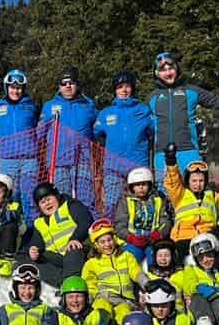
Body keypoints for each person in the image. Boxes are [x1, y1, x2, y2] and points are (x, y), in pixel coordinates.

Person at [146, 50, 219, 181]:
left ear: (177, 69)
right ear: (157, 73)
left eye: (171, 68)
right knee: (164, 196)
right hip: (161, 155)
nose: (168, 73)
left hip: (188, 152)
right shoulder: (152, 97)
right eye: (163, 70)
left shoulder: (191, 91)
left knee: (194, 195)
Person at [95, 71, 154, 209]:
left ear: (132, 88)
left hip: (137, 163)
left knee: (141, 202)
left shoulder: (143, 110)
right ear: (115, 90)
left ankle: (142, 230)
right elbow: (96, 134)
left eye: (127, 86)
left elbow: (153, 131)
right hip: (113, 166)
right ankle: (114, 230)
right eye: (120, 87)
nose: (124, 90)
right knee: (112, 203)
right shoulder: (106, 113)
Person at [38, 67, 98, 196]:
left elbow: (97, 131)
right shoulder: (49, 106)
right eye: (64, 84)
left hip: (82, 160)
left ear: (77, 84)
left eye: (71, 83)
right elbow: (39, 134)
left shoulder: (88, 105)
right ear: (59, 87)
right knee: (62, 198)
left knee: (85, 198)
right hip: (58, 162)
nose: (68, 86)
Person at [24, 181, 94, 287]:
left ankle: (71, 286)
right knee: (29, 259)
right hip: (58, 258)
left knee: (73, 249)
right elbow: (37, 242)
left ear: (57, 197)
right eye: (42, 202)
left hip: (78, 251)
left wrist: (75, 238)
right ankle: (61, 283)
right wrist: (33, 249)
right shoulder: (39, 222)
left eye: (49, 199)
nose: (47, 203)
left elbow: (85, 221)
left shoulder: (69, 206)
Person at [81, 219, 145, 325]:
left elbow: (136, 272)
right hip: (105, 298)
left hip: (125, 301)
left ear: (114, 239)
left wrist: (147, 283)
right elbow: (89, 286)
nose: (107, 244)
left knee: (124, 312)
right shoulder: (91, 263)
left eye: (109, 240)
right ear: (96, 245)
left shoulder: (126, 256)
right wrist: (97, 296)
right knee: (102, 308)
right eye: (102, 242)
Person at [0, 70, 41, 208]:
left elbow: (39, 126)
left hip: (29, 158)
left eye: (19, 88)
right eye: (12, 88)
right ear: (7, 88)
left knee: (29, 193)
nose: (15, 91)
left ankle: (31, 226)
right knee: (10, 194)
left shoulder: (31, 105)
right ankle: (11, 224)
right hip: (7, 159)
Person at [113, 167, 170, 266]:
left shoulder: (158, 200)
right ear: (132, 187)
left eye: (144, 184)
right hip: (133, 240)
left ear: (150, 185)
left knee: (157, 256)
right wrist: (130, 237)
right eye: (137, 185)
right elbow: (119, 225)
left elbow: (165, 221)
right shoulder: (125, 202)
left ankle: (156, 278)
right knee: (130, 258)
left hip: (153, 239)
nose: (141, 187)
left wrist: (159, 234)